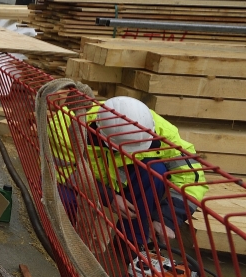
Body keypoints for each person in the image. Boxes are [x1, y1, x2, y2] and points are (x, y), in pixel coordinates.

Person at [48, 96, 207, 250]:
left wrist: (167, 219)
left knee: (155, 172)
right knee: (62, 199)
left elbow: (191, 178)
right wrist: (108, 197)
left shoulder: (162, 131)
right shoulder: (66, 129)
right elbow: (62, 172)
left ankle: (131, 243)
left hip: (123, 178)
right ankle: (63, 241)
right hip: (86, 182)